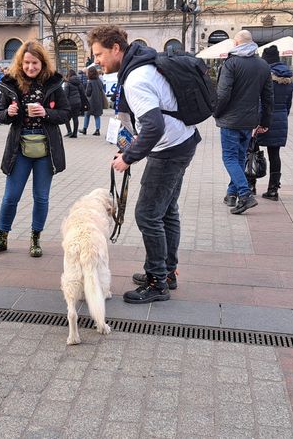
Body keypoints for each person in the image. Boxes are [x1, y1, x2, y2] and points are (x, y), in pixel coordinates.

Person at [88, 25, 201, 304]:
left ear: (116, 49)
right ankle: (167, 272)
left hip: (170, 149)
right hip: (182, 141)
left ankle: (156, 282)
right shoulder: (142, 65)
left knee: (148, 214)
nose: (96, 61)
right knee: (166, 212)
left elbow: (153, 126)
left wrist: (128, 157)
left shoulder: (136, 77)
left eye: (99, 54)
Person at [0, 40, 71, 258]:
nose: (30, 67)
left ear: (43, 63)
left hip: (46, 148)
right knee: (11, 196)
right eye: (26, 63)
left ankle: (35, 239)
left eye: (35, 63)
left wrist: (46, 113)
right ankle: (2, 237)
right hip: (19, 147)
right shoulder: (11, 83)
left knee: (41, 197)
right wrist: (9, 113)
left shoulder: (53, 84)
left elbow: (66, 113)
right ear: (20, 63)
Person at [215, 30, 273, 214]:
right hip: (249, 121)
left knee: (230, 158)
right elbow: (268, 97)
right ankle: (231, 195)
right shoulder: (263, 65)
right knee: (239, 157)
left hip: (231, 120)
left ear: (237, 43)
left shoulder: (231, 64)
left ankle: (245, 194)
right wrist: (264, 121)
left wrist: (216, 112)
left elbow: (223, 94)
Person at [253, 45, 293, 201]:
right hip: (281, 118)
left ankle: (251, 185)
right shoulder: (289, 77)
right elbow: (289, 103)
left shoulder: (264, 75)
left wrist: (257, 120)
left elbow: (260, 100)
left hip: (262, 117)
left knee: (252, 150)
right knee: (274, 155)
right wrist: (283, 115)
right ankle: (273, 190)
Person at [63, 69, 88, 137]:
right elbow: (83, 93)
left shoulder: (68, 83)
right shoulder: (79, 82)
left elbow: (65, 94)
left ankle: (69, 131)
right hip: (78, 102)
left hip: (70, 103)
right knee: (75, 117)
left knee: (66, 117)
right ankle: (75, 133)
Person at [82, 66, 107, 136]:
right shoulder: (99, 81)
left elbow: (88, 93)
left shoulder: (90, 82)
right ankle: (97, 130)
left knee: (87, 115)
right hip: (98, 101)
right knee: (97, 116)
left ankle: (84, 129)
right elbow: (102, 88)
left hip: (91, 102)